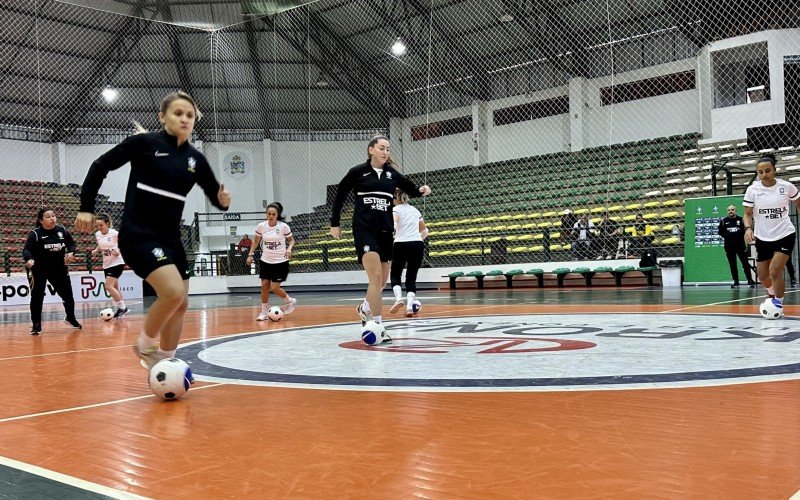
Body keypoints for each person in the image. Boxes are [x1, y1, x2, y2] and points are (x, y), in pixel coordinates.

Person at [75, 90, 231, 369]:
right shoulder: (144, 143)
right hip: (139, 236)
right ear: (163, 117)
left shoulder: (196, 160)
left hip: (171, 240)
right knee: (172, 293)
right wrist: (86, 206)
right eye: (178, 113)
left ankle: (166, 363)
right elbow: (100, 166)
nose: (185, 119)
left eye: (190, 115)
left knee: (180, 303)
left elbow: (214, 196)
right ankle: (145, 344)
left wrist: (222, 202)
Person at [330, 135, 431, 335]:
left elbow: (411, 188)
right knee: (375, 277)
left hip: (386, 233)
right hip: (364, 230)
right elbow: (340, 194)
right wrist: (335, 223)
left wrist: (422, 190)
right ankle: (377, 325)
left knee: (382, 281)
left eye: (387, 149)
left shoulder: (391, 174)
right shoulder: (358, 172)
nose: (385, 152)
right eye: (382, 148)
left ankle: (364, 308)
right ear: (371, 150)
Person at [743, 155, 800, 312]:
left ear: (775, 170)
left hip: (785, 234)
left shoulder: (787, 187)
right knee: (763, 276)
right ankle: (772, 295)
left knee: (775, 270)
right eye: (760, 172)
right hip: (763, 237)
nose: (764, 174)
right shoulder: (752, 190)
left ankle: (778, 304)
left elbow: (799, 204)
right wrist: (748, 228)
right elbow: (747, 214)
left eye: (767, 170)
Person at [23, 208, 83, 335]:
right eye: (48, 217)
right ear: (41, 220)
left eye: (54, 216)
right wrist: (29, 259)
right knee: (37, 296)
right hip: (38, 269)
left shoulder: (62, 231)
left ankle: (70, 317)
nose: (52, 218)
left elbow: (72, 244)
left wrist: (71, 252)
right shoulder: (35, 234)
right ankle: (36, 324)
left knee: (68, 295)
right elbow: (26, 250)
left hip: (58, 268)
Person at [246, 202, 296, 320]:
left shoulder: (283, 226)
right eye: (269, 214)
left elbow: (292, 240)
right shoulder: (261, 226)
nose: (271, 216)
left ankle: (289, 301)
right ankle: (263, 312)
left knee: (274, 287)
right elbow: (256, 242)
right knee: (264, 285)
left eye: (273, 214)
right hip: (266, 261)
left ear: (277, 215)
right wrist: (250, 254)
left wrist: (289, 249)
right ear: (266, 214)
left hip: (280, 262)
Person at [389, 189, 428, 317]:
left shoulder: (395, 210)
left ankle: (399, 299)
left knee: (395, 274)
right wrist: (417, 239)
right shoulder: (415, 210)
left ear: (395, 199)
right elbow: (425, 231)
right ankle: (410, 306)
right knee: (411, 276)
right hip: (417, 244)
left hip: (401, 243)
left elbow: (393, 225)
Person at [92, 213, 130, 316]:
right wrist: (96, 250)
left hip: (117, 262)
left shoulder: (114, 233)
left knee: (108, 286)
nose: (99, 227)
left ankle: (123, 308)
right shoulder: (97, 234)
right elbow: (100, 244)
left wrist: (118, 251)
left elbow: (123, 243)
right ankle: (121, 309)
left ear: (107, 224)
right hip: (106, 264)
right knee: (115, 288)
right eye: (97, 225)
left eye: (101, 225)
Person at [717, 205, 756, 288]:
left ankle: (749, 280)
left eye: (732, 210)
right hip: (729, 246)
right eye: (729, 210)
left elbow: (746, 229)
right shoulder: (723, 221)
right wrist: (727, 236)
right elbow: (720, 232)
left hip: (740, 245)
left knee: (745, 263)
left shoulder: (741, 220)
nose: (730, 211)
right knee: (732, 264)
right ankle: (736, 281)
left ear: (735, 211)